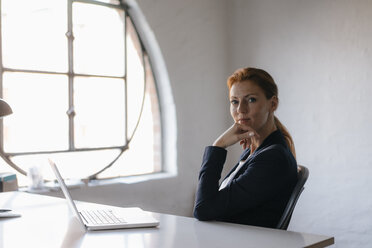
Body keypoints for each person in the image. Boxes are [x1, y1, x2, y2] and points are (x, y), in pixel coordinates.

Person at [193, 67, 298, 228]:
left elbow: (203, 209)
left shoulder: (272, 159)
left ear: (273, 104)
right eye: (235, 101)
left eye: (251, 100)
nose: (241, 110)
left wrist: (218, 146)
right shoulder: (254, 151)